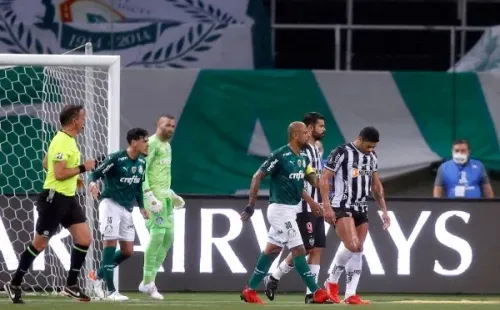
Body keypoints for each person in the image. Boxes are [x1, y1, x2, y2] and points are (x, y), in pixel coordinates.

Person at [3, 104, 96, 304]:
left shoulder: (65, 139)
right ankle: (14, 283)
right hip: (54, 199)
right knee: (40, 244)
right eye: (83, 118)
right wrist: (82, 168)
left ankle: (70, 286)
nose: (84, 121)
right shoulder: (63, 141)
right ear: (75, 121)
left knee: (84, 239)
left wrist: (73, 178)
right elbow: (59, 172)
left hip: (67, 198)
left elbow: (46, 163)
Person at [240, 121, 332, 304]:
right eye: (305, 132)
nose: (308, 135)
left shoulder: (304, 157)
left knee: (272, 250)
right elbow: (257, 176)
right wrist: (251, 205)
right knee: (299, 249)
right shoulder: (280, 155)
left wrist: (320, 186)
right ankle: (316, 292)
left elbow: (309, 180)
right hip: (280, 210)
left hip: (294, 209)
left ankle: (249, 290)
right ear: (296, 135)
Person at [319, 126, 390, 305]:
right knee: (352, 244)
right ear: (359, 139)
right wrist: (326, 206)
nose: (371, 150)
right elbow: (324, 178)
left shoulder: (372, 157)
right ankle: (331, 281)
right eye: (368, 146)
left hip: (361, 207)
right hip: (341, 205)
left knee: (358, 249)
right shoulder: (341, 152)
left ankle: (350, 294)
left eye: (373, 147)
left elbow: (376, 186)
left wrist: (384, 210)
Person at [264, 112, 329, 304]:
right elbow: (297, 182)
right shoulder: (301, 152)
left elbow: (315, 179)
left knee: (317, 248)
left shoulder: (316, 150)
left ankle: (311, 294)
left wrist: (325, 201)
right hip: (301, 206)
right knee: (305, 248)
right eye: (320, 126)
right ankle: (274, 276)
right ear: (309, 128)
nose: (324, 130)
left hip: (315, 205)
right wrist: (311, 202)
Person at [87, 128, 150, 301]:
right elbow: (95, 173)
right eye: (145, 141)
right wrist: (92, 184)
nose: (147, 144)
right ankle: (111, 291)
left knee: (127, 251)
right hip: (110, 204)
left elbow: (138, 187)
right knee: (110, 243)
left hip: (127, 208)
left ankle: (97, 276)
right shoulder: (116, 158)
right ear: (134, 141)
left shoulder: (141, 163)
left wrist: (142, 207)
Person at [138, 115, 185, 300]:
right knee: (158, 234)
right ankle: (148, 281)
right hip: (152, 197)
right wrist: (149, 196)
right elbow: (144, 172)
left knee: (168, 238)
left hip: (164, 198)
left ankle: (148, 282)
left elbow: (163, 174)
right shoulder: (151, 144)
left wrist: (172, 195)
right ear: (158, 125)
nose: (171, 128)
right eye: (167, 125)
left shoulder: (167, 146)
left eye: (173, 126)